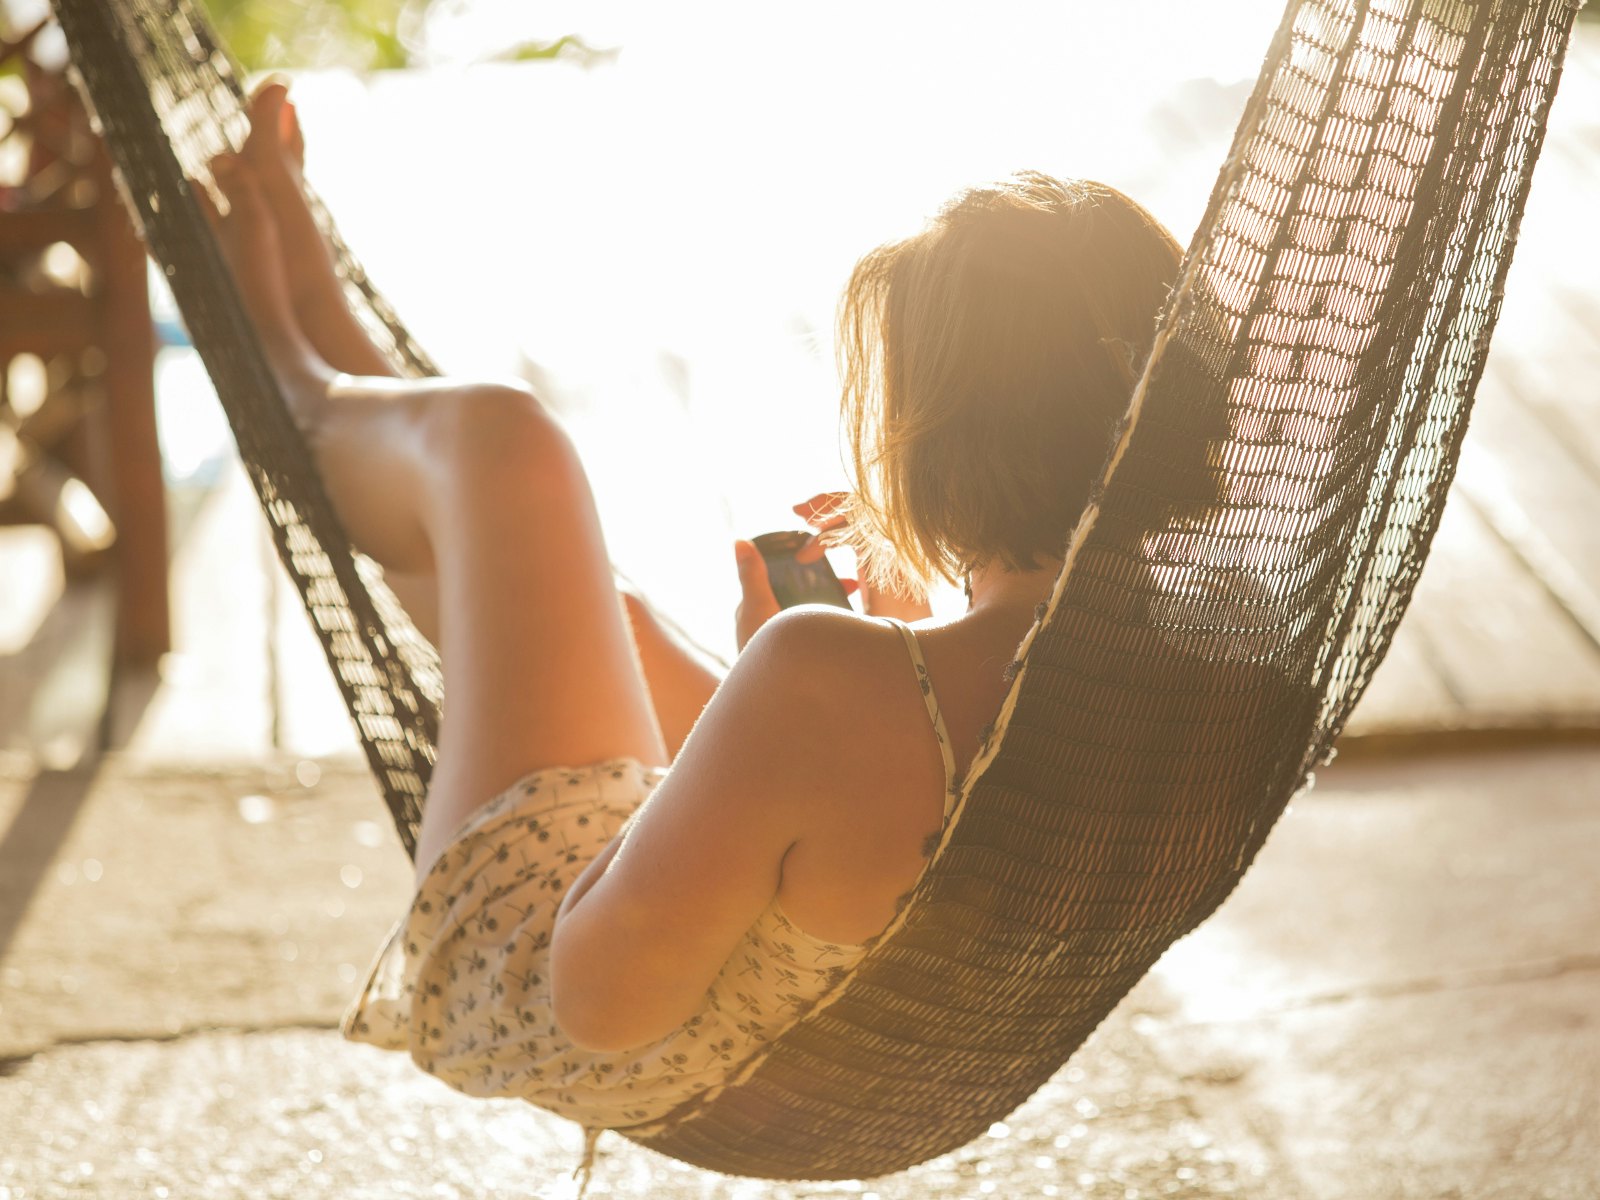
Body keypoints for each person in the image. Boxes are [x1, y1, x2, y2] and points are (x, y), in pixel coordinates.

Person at [200, 82, 1184, 1129]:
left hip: (543, 972)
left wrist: (774, 700)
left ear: (933, 450)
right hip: (793, 971)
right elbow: (906, 818)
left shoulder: (823, 680)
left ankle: (290, 370)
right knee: (592, 603)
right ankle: (334, 344)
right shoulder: (1210, 683)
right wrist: (835, 690)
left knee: (504, 440)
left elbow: (595, 1001)